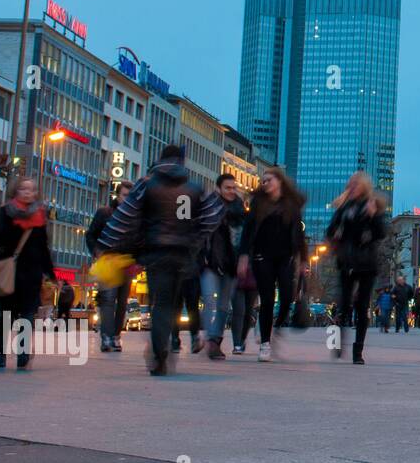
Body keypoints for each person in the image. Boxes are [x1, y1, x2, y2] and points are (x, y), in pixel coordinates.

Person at [99, 146, 223, 376]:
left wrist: (109, 242)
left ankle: (159, 352)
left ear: (160, 160)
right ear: (181, 162)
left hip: (156, 250)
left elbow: (125, 215)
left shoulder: (148, 185)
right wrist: (196, 237)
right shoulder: (193, 188)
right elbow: (212, 214)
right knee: (171, 300)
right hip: (183, 252)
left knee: (161, 303)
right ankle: (162, 347)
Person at [237, 167, 307, 363]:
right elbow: (247, 231)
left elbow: (299, 236)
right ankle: (265, 343)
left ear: (279, 181)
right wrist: (243, 256)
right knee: (267, 299)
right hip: (262, 257)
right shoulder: (258, 203)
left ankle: (273, 325)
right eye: (263, 180)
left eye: (269, 180)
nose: (265, 183)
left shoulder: (291, 205)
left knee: (287, 298)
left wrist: (304, 260)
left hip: (285, 258)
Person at [0, 176, 57, 369]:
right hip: (8, 271)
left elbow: (43, 247)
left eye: (31, 189)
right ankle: (0, 354)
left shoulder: (39, 216)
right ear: (16, 191)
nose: (28, 192)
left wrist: (50, 273)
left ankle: (23, 354)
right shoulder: (5, 213)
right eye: (23, 189)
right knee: (5, 315)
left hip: (31, 274)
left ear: (36, 193)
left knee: (27, 314)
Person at [325, 171, 388, 364]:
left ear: (364, 187)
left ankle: (357, 352)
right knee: (342, 306)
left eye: (355, 184)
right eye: (350, 184)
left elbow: (380, 233)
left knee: (362, 307)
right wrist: (335, 234)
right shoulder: (344, 207)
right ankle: (335, 344)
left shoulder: (372, 205)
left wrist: (372, 216)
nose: (351, 188)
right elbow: (330, 231)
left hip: (366, 262)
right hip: (346, 261)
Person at [201, 174, 246, 360]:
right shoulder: (209, 207)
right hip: (210, 262)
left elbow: (245, 236)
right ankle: (210, 337)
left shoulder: (240, 210)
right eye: (228, 187)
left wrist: (244, 258)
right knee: (209, 300)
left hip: (231, 264)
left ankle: (214, 341)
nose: (231, 191)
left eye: (233, 188)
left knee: (223, 307)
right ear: (218, 188)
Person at [89, 182, 133, 352]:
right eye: (124, 195)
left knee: (121, 302)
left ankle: (115, 335)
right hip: (108, 261)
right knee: (107, 299)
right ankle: (107, 336)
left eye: (130, 196)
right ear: (117, 195)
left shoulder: (135, 216)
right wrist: (96, 251)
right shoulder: (105, 213)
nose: (127, 199)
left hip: (126, 262)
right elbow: (91, 234)